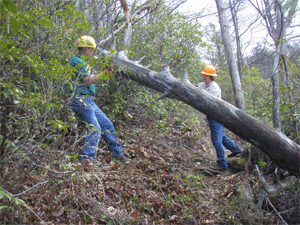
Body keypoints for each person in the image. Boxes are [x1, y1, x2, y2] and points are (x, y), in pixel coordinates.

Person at [70, 35, 129, 163]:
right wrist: (103, 73)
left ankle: (117, 154)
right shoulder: (77, 61)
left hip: (89, 101)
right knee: (95, 128)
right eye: (91, 49)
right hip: (80, 100)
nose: (93, 51)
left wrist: (106, 71)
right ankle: (86, 161)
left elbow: (98, 77)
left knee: (107, 125)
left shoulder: (86, 64)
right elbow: (88, 80)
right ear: (85, 49)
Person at [198, 65, 242, 170]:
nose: (204, 77)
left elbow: (205, 100)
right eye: (204, 74)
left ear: (211, 77)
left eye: (206, 75)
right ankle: (237, 151)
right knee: (221, 136)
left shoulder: (214, 88)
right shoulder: (202, 85)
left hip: (217, 116)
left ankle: (222, 164)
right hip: (210, 115)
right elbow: (196, 90)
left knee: (216, 140)